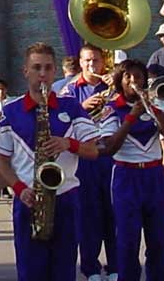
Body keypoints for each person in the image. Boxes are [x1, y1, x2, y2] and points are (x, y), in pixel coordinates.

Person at [0, 42, 99, 281]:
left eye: (48, 68)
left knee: (64, 271)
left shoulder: (71, 106)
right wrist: (19, 189)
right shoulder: (11, 112)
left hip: (66, 198)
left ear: (55, 71)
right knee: (30, 272)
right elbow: (1, 161)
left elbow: (94, 151)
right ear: (26, 71)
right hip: (29, 199)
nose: (42, 74)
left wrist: (68, 144)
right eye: (36, 67)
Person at [99, 58, 164, 281]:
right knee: (127, 240)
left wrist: (154, 108)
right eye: (128, 77)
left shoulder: (154, 106)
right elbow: (110, 147)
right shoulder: (112, 109)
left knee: (158, 241)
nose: (133, 81)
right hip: (126, 175)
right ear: (120, 81)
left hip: (153, 176)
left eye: (138, 77)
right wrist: (131, 116)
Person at [60, 44, 116, 281]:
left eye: (96, 60)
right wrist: (82, 107)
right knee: (88, 215)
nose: (92, 65)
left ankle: (115, 266)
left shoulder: (113, 86)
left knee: (113, 213)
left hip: (110, 155)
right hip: (84, 158)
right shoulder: (69, 89)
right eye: (87, 61)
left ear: (104, 62)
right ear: (80, 63)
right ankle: (91, 268)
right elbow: (61, 120)